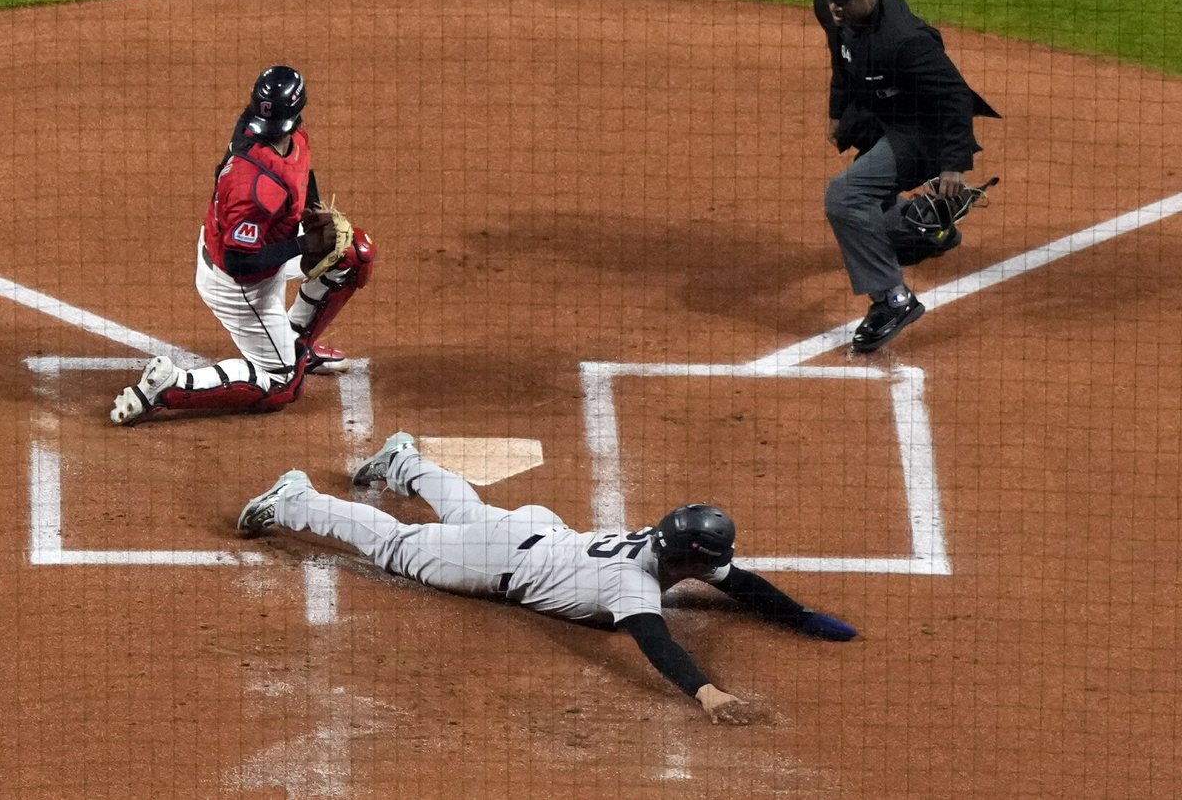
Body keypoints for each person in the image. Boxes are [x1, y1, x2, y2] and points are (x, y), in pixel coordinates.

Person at [237, 432, 858, 724]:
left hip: (534, 533)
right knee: (396, 545)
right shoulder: (632, 586)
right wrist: (707, 692)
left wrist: (802, 618)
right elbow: (658, 644)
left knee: (471, 513)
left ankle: (403, 461)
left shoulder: (668, 547)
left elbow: (740, 583)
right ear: (689, 560)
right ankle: (295, 501)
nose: (714, 570)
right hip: (498, 560)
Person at [110, 65, 375, 425]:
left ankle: (295, 348)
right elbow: (239, 263)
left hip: (266, 246)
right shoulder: (254, 185)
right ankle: (170, 386)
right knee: (283, 386)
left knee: (352, 254)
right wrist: (304, 243)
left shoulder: (288, 134)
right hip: (237, 284)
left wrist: (313, 211)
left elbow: (303, 174)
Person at [815, 0, 1000, 352]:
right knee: (868, 207)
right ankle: (922, 229)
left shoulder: (905, 40)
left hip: (924, 130)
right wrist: (837, 112)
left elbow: (954, 96)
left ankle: (893, 300)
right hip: (884, 115)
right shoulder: (832, 10)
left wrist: (953, 164)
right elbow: (840, 55)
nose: (835, 6)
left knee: (846, 195)